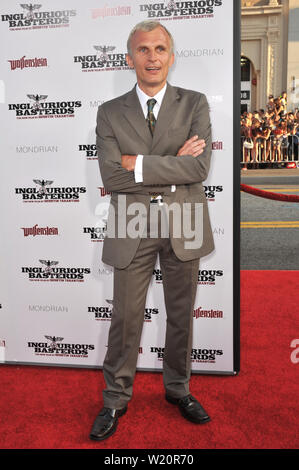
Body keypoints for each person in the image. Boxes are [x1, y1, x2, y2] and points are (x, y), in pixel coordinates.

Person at [89, 20, 214, 442]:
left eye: (160, 48)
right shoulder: (109, 111)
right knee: (125, 317)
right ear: (130, 58)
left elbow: (199, 168)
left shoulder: (195, 103)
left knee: (181, 315)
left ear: (171, 56)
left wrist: (136, 163)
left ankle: (179, 389)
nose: (152, 56)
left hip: (186, 221)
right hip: (131, 222)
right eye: (143, 49)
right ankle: (114, 399)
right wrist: (170, 165)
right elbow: (112, 176)